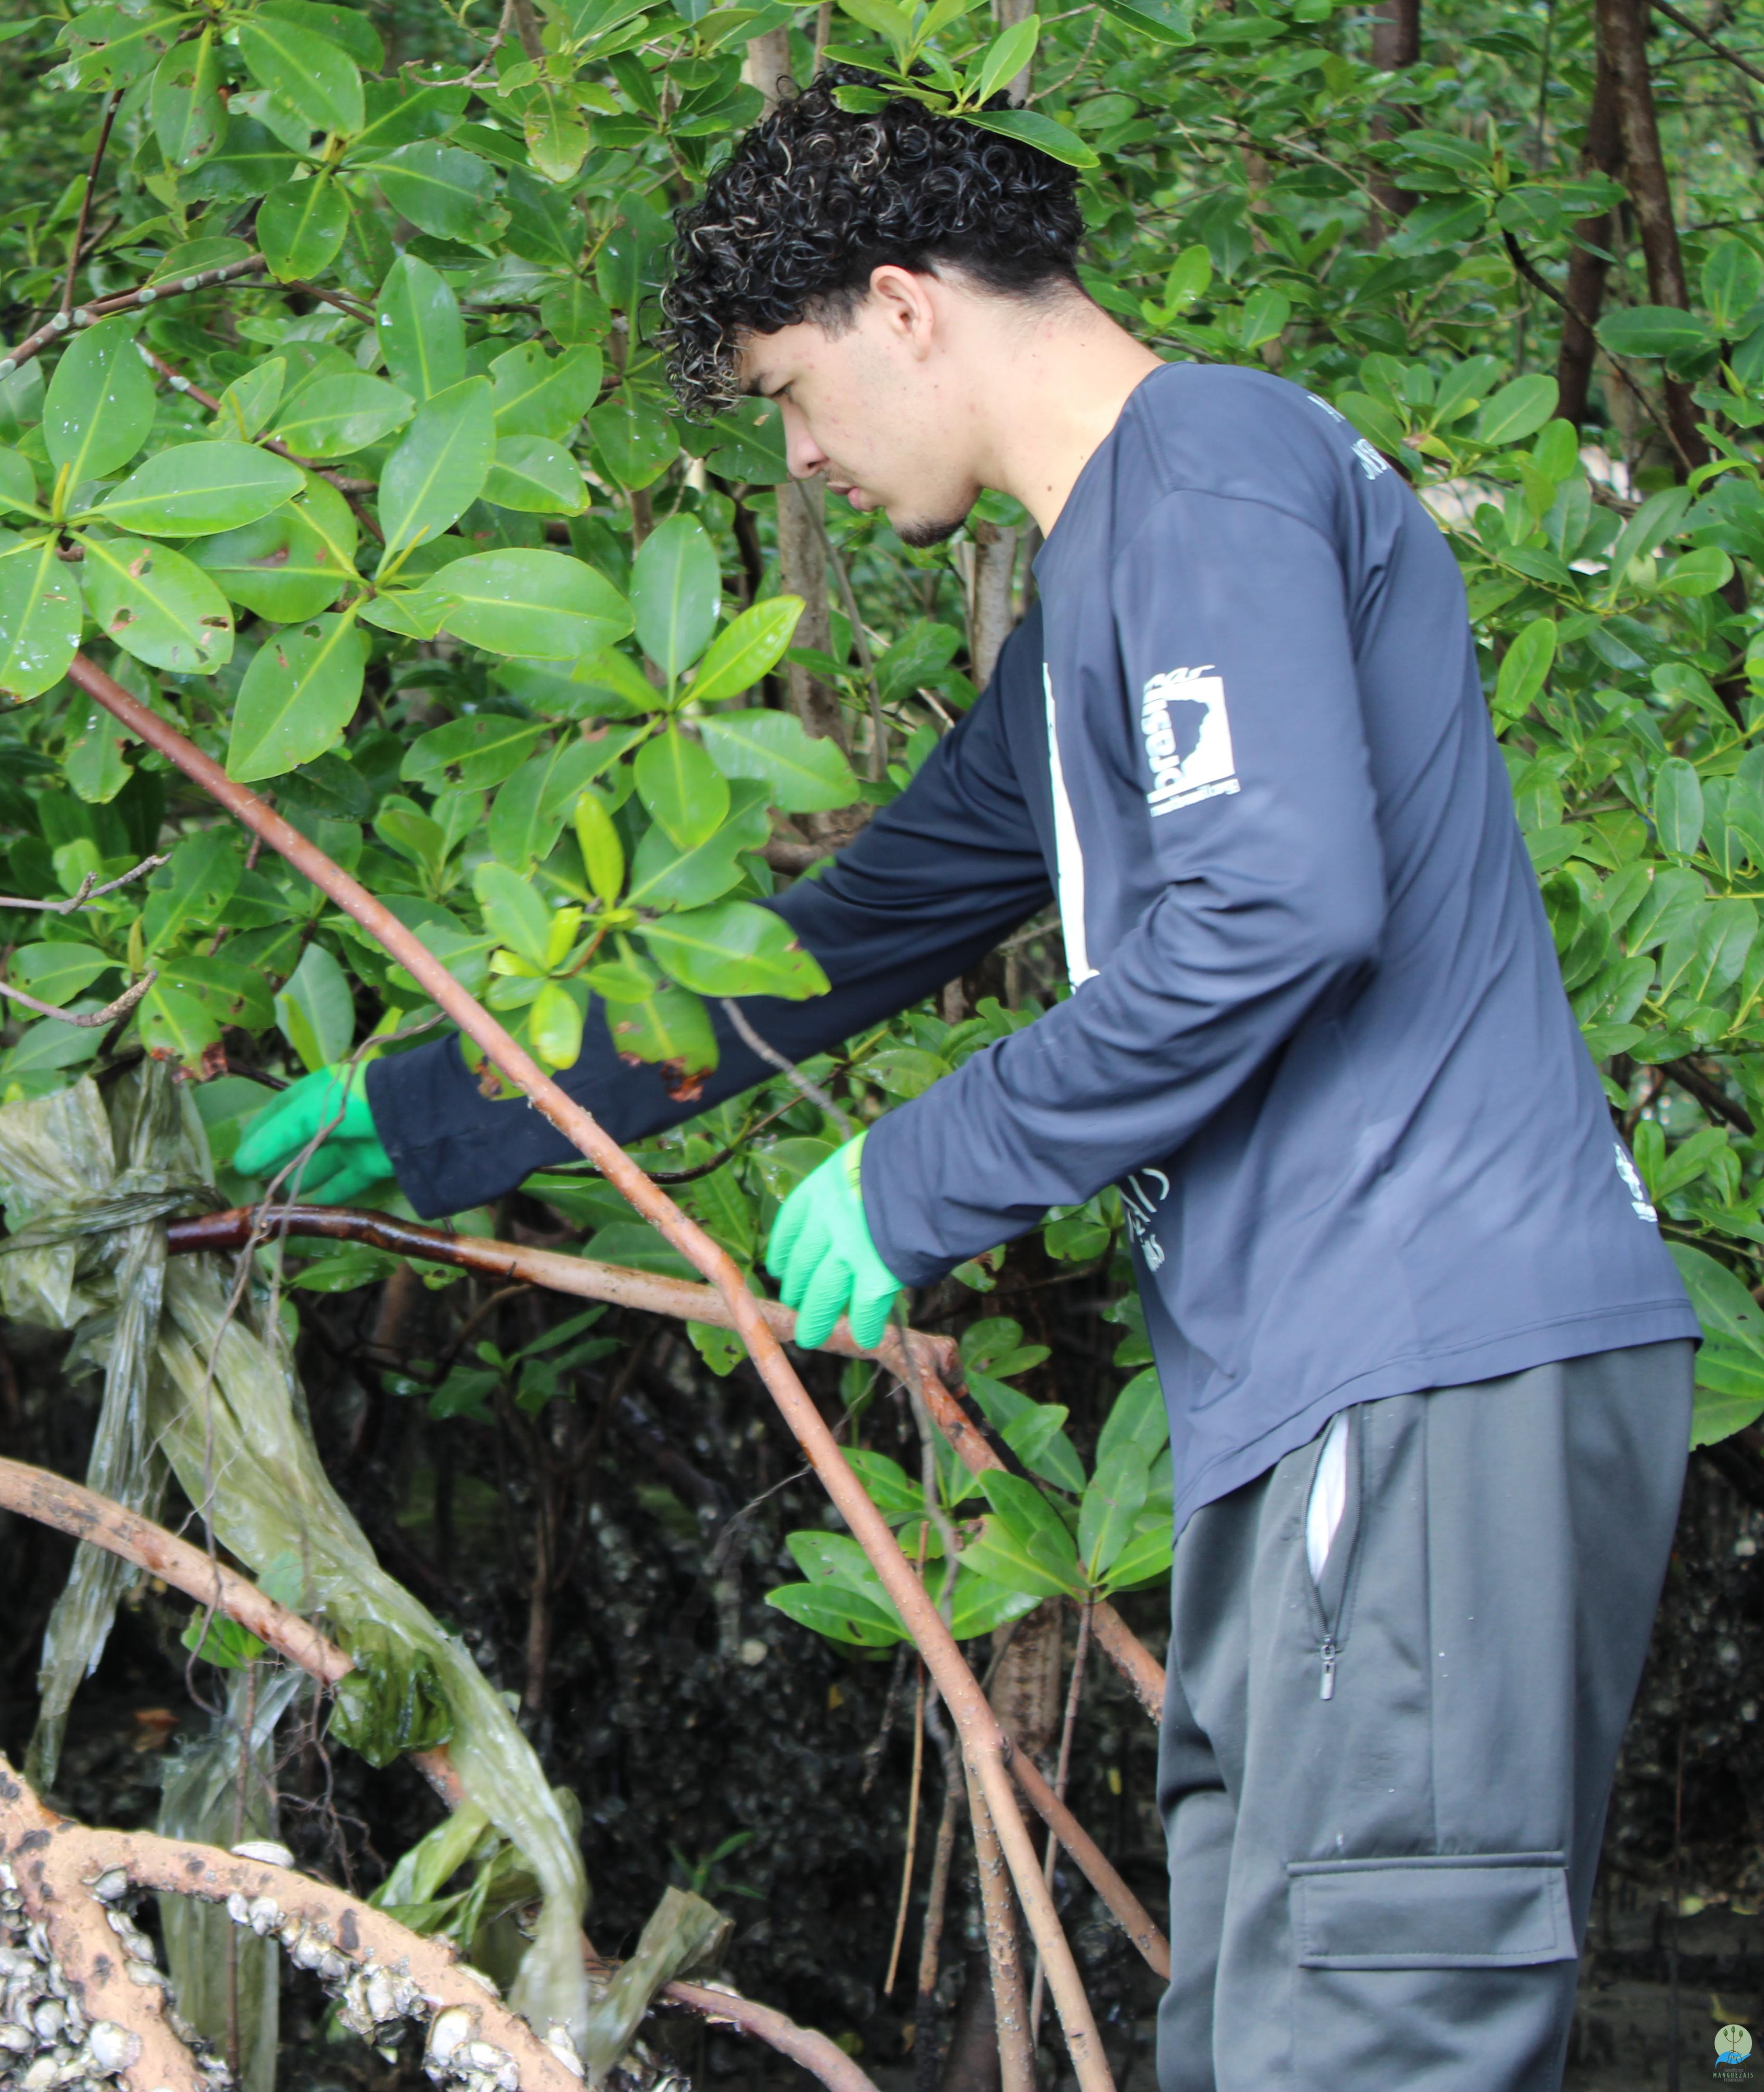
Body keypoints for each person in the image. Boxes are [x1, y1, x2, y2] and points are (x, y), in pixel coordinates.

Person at [233, 71, 1701, 2092]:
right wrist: (421, 1115)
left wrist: (927, 1175)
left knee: (1369, 2040)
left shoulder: (1208, 464)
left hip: (1425, 1362)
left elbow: (1281, 907)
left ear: (904, 304)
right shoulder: (1103, 586)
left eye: (792, 392)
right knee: (1259, 2039)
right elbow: (833, 949)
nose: (807, 457)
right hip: (1327, 1397)